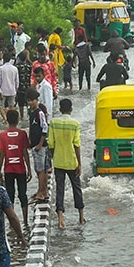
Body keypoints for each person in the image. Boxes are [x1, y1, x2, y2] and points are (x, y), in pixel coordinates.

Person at [48, 99, 85, 229]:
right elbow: (77, 145)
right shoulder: (75, 124)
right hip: (72, 161)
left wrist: (54, 156)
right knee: (77, 188)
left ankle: (60, 219)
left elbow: (51, 144)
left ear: (60, 109)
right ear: (71, 109)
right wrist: (79, 164)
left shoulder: (53, 123)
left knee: (60, 189)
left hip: (58, 161)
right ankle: (81, 216)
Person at [0, 109, 31, 226]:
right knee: (23, 195)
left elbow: (1, 154)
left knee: (10, 196)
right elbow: (25, 152)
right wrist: (29, 169)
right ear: (18, 120)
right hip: (21, 169)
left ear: (7, 120)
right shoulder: (22, 134)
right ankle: (26, 221)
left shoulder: (2, 135)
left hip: (8, 169)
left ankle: (13, 222)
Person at [25, 88, 49, 203]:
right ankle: (43, 191)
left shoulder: (39, 113)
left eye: (32, 100)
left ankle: (41, 193)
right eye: (28, 101)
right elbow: (32, 128)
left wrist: (40, 144)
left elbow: (44, 128)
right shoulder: (31, 113)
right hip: (34, 144)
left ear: (36, 100)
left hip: (40, 146)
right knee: (40, 170)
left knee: (40, 171)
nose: (30, 103)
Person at [0, 54, 19, 123]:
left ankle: (5, 118)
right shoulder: (15, 68)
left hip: (3, 91)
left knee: (1, 106)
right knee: (12, 107)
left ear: (3, 59)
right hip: (12, 90)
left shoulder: (1, 68)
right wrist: (16, 89)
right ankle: (11, 120)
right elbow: (17, 81)